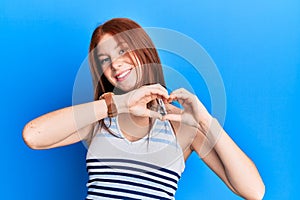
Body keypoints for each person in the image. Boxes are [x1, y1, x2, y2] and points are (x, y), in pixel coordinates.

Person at [23, 18, 265, 199]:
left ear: (144, 51)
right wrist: (117, 104)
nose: (115, 63)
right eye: (104, 60)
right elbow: (33, 136)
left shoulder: (180, 124)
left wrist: (203, 120)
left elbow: (254, 191)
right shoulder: (100, 116)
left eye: (122, 50)